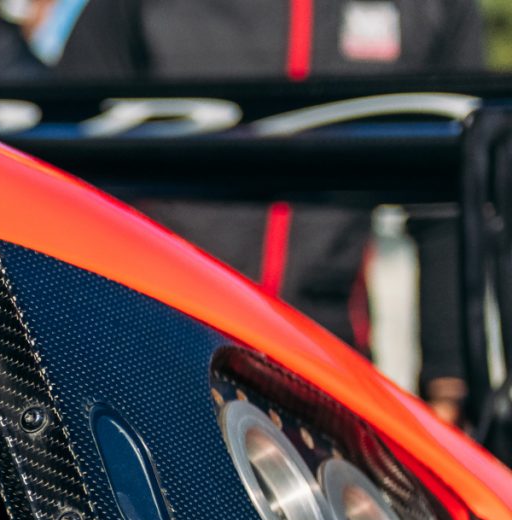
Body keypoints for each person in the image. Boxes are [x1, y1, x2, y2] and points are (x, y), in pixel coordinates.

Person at [58, 0, 485, 420]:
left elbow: (449, 199)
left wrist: (447, 385)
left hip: (328, 369)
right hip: (155, 349)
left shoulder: (435, 9)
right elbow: (65, 175)